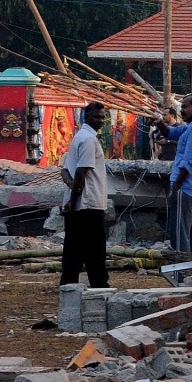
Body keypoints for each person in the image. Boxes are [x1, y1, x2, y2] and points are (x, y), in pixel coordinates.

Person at [60, 101, 110, 288]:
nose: (100, 120)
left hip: (78, 203)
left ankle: (68, 284)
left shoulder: (79, 136)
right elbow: (81, 172)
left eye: (102, 117)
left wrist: (71, 191)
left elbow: (65, 171)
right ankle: (99, 285)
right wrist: (74, 197)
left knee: (73, 248)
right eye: (96, 116)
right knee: (95, 249)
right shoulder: (89, 139)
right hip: (89, 202)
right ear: (86, 117)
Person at [161, 95, 192, 254]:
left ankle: (182, 271)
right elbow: (172, 133)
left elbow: (188, 162)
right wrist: (159, 125)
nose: (181, 111)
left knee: (180, 233)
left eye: (185, 107)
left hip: (186, 187)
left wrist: (176, 186)